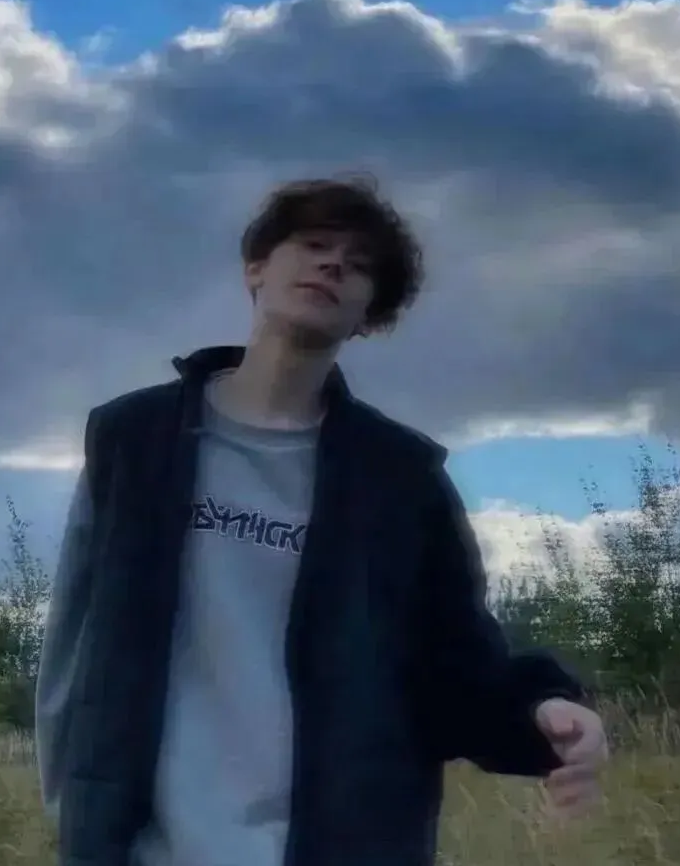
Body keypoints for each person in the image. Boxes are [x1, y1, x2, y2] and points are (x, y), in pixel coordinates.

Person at [35, 175, 609, 866]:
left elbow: (454, 663)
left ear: (370, 314)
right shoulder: (133, 440)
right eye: (313, 245)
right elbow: (72, 639)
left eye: (360, 265)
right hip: (149, 848)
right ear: (256, 267)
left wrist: (540, 711)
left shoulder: (401, 478)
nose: (334, 264)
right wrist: (79, 816)